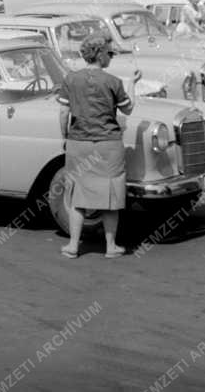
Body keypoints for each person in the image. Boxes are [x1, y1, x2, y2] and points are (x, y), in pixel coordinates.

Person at [58, 35, 138, 259]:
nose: (111, 56)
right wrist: (133, 84)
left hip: (78, 142)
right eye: (110, 53)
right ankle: (110, 246)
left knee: (76, 195)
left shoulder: (71, 79)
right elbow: (128, 109)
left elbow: (64, 112)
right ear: (100, 54)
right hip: (108, 145)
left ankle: (73, 245)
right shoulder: (113, 82)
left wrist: (65, 136)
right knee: (110, 196)